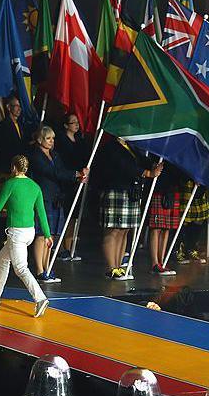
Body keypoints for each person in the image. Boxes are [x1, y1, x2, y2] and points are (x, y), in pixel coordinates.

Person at [0, 155, 50, 318]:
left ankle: (40, 299)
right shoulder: (35, 186)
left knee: (20, 268)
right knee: (3, 260)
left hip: (16, 233)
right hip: (29, 232)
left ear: (13, 168)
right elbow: (41, 213)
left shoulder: (10, 184)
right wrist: (47, 234)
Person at [96, 136, 162, 280]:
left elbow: (141, 160)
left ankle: (118, 266)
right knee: (113, 230)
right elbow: (123, 165)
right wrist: (146, 173)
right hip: (116, 190)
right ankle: (111, 268)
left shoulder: (130, 146)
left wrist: (153, 165)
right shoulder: (111, 147)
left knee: (124, 230)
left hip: (130, 191)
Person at [27, 126, 87, 283]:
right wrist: (75, 174)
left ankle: (47, 267)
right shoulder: (36, 156)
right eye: (48, 138)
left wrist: (77, 177)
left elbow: (62, 171)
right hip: (43, 198)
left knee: (51, 235)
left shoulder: (55, 155)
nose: (51, 141)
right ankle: (40, 270)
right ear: (40, 139)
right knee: (41, 234)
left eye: (53, 138)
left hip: (56, 198)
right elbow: (52, 173)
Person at [0, 97, 28, 245]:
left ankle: (5, 232)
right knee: (1, 201)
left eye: (20, 106)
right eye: (16, 106)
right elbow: (3, 148)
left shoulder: (20, 125)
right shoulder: (3, 125)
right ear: (8, 107)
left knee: (11, 203)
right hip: (5, 169)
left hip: (16, 170)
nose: (19, 109)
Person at [54, 114, 88, 260]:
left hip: (77, 182)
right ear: (66, 125)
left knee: (74, 216)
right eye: (72, 122)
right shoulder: (61, 141)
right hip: (65, 182)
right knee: (64, 215)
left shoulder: (80, 141)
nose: (76, 125)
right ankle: (60, 248)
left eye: (77, 122)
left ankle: (70, 248)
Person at [147, 166, 181, 276]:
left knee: (166, 228)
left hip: (172, 190)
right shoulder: (158, 154)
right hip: (158, 189)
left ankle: (162, 261)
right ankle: (154, 263)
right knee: (156, 228)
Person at [177, 179, 209, 265]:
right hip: (186, 183)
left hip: (201, 184)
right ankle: (179, 250)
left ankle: (192, 248)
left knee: (199, 219)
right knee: (183, 219)